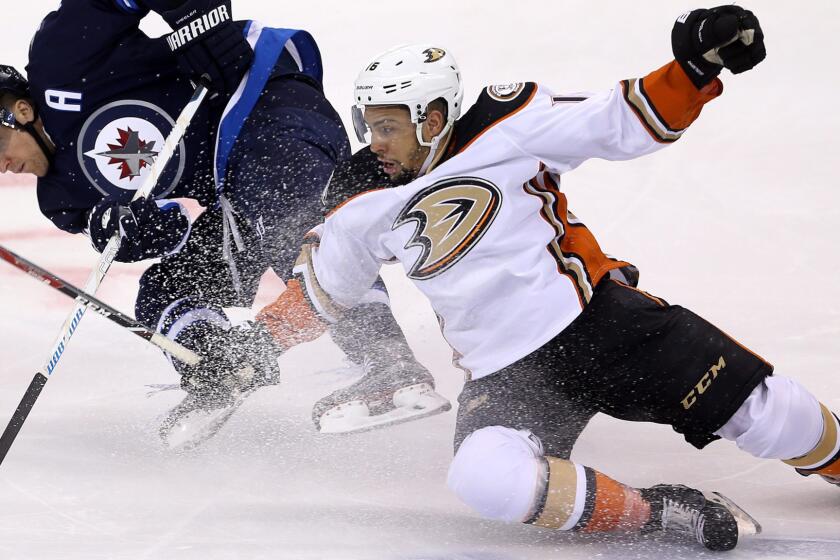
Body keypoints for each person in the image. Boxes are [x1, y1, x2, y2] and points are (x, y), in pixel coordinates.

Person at [220, 6, 838, 551]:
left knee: (773, 414)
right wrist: (251, 350)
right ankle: (659, 513)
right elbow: (326, 294)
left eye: (389, 126)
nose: (373, 141)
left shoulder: (506, 123)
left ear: (433, 118)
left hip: (603, 325)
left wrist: (695, 69)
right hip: (509, 372)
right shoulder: (359, 200)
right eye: (369, 124)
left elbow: (620, 119)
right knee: (485, 478)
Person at [0, 0, 449, 433]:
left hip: (264, 99)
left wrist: (199, 21)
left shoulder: (61, 54)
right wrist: (132, 231)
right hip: (230, 185)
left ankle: (390, 359)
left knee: (288, 220)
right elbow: (172, 228)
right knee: (165, 291)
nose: (1, 166)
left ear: (19, 110)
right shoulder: (62, 198)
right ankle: (222, 369)